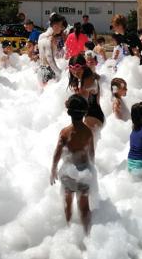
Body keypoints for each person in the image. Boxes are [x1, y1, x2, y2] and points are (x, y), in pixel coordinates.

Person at [49, 95, 95, 233]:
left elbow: (57, 152)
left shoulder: (65, 132)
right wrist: (92, 169)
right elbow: (92, 154)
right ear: (85, 113)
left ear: (69, 112)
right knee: (84, 206)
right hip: (84, 173)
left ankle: (68, 228)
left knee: (68, 203)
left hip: (69, 173)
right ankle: (87, 233)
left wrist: (53, 169)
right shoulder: (88, 132)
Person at [68, 55, 104, 131]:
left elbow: (79, 104)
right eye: (72, 69)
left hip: (94, 117)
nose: (75, 72)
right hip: (88, 116)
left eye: (77, 68)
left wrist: (68, 103)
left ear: (84, 67)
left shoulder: (88, 82)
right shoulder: (79, 78)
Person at [37, 13, 65, 85]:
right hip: (48, 71)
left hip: (41, 70)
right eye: (61, 25)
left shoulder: (41, 36)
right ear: (55, 26)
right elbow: (50, 60)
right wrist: (60, 73)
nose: (62, 28)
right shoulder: (50, 39)